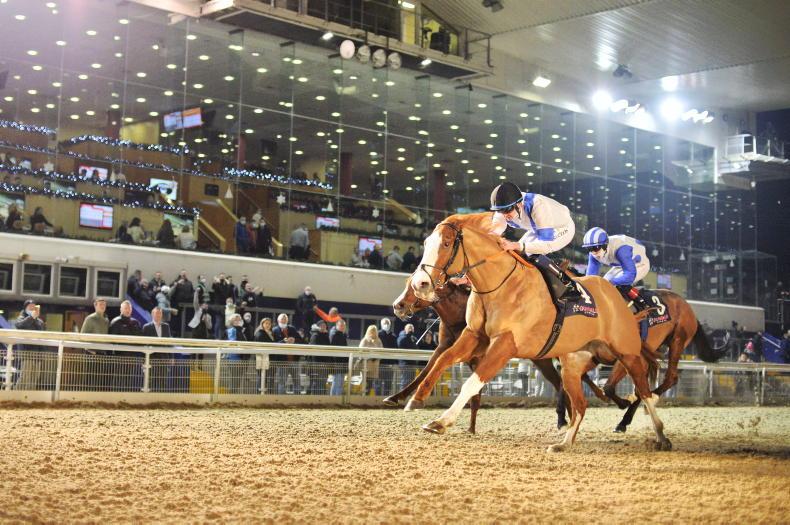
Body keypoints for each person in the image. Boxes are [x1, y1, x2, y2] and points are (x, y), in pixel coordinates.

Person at [489, 181, 578, 299]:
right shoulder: (506, 207)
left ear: (519, 204)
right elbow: (492, 234)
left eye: (507, 210)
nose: (504, 215)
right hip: (537, 228)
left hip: (562, 228)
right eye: (500, 211)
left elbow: (545, 245)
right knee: (514, 253)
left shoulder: (539, 206)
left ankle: (569, 286)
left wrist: (517, 245)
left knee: (531, 254)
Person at [582, 227, 650, 310]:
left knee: (618, 285)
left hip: (640, 265)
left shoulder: (622, 250)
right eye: (589, 249)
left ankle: (643, 303)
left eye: (595, 248)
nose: (593, 252)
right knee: (604, 285)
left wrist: (612, 282)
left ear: (605, 245)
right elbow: (590, 277)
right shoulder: (594, 253)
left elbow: (630, 275)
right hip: (621, 265)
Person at [358, 324, 382, 395]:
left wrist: (376, 356)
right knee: (365, 384)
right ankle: (363, 397)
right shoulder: (365, 340)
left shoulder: (378, 341)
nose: (373, 333)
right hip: (366, 367)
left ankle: (368, 398)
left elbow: (381, 351)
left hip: (374, 367)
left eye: (374, 331)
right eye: (371, 331)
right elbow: (360, 352)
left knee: (371, 384)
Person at [328, 319, 348, 395]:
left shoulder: (342, 335)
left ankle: (336, 398)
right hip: (337, 362)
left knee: (340, 382)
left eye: (344, 326)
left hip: (342, 362)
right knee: (337, 382)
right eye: (341, 325)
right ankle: (334, 399)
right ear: (337, 326)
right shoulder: (335, 334)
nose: (343, 327)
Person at [396, 323, 418, 391]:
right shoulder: (402, 337)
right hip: (405, 363)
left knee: (411, 382)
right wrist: (408, 335)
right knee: (405, 381)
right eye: (409, 328)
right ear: (405, 329)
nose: (411, 330)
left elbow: (416, 348)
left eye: (412, 328)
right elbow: (400, 344)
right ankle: (402, 394)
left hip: (412, 363)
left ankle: (409, 394)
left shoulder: (413, 338)